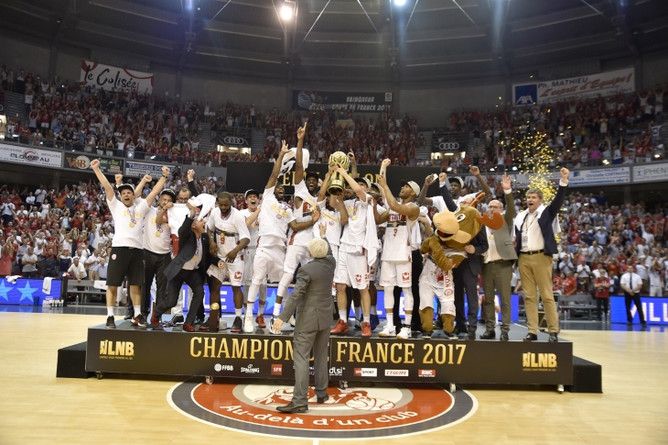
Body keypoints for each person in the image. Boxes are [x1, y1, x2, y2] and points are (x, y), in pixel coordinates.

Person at [91, 159, 168, 329]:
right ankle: (110, 316)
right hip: (119, 249)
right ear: (120, 196)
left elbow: (154, 193)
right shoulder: (116, 206)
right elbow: (108, 187)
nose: (126, 194)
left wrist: (163, 177)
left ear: (134, 195)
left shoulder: (141, 208)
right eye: (123, 193)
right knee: (112, 284)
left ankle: (138, 315)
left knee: (136, 285)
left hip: (138, 251)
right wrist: (97, 169)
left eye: (129, 192)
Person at [272, 238, 335, 414]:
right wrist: (324, 236)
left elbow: (296, 295)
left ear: (311, 252)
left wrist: (282, 317)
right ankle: (322, 393)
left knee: (301, 358)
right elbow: (329, 251)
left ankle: (299, 401)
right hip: (325, 317)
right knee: (321, 355)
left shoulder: (306, 270)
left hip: (308, 319)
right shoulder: (331, 263)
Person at [514, 167, 570, 342]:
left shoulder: (546, 212)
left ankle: (553, 330)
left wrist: (563, 182)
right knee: (529, 296)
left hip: (541, 256)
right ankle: (532, 331)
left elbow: (558, 202)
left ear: (540, 200)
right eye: (528, 197)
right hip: (523, 257)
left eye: (533, 197)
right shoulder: (521, 216)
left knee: (546, 295)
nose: (530, 200)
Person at [243, 141, 294, 333]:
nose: (279, 190)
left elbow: (295, 226)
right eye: (277, 188)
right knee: (256, 281)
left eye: (282, 190)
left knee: (284, 284)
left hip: (280, 249)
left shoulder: (288, 209)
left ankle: (279, 317)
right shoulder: (268, 198)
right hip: (264, 247)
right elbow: (274, 175)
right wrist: (281, 155)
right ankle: (249, 317)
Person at [374, 159, 420, 339]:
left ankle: (407, 327)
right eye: (402, 186)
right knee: (387, 289)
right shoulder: (393, 207)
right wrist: (383, 167)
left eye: (406, 186)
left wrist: (385, 187)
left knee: (407, 290)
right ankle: (391, 325)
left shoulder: (413, 208)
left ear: (413, 192)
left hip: (403, 254)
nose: (402, 188)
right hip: (388, 254)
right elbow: (378, 219)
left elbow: (394, 205)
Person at [153, 200, 213, 332]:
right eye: (200, 221)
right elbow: (182, 229)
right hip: (179, 270)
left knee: (199, 292)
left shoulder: (204, 238)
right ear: (193, 225)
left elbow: (207, 256)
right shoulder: (186, 235)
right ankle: (156, 314)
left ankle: (188, 323)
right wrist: (191, 214)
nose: (203, 222)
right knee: (171, 301)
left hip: (192, 272)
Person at [206, 191, 250, 332]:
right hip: (220, 256)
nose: (223, 207)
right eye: (221, 205)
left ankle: (238, 318)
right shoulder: (214, 212)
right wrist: (212, 242)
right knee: (215, 287)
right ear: (218, 203)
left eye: (226, 205)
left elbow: (246, 239)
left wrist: (235, 250)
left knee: (236, 287)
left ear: (231, 202)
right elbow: (209, 229)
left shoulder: (238, 216)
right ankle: (214, 317)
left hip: (235, 257)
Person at [480, 173, 517, 341]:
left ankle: (505, 330)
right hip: (487, 264)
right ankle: (490, 329)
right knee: (488, 299)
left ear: (501, 210)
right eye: (490, 206)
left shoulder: (505, 220)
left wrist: (507, 191)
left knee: (505, 299)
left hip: (503, 264)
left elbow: (512, 209)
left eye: (495, 207)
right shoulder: (483, 223)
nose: (491, 209)